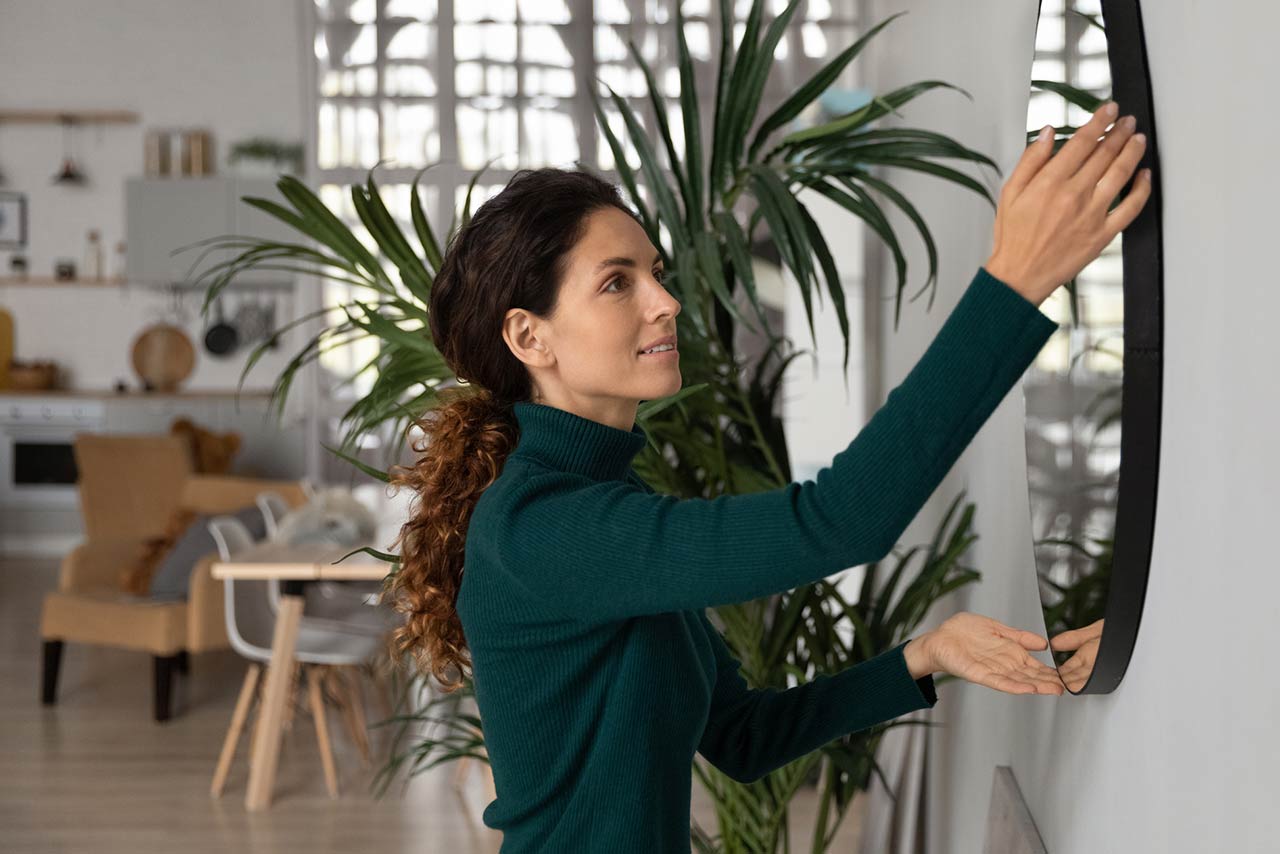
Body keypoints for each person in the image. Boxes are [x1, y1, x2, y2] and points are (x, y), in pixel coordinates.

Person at [384, 99, 1151, 851]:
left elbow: (743, 736)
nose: (667, 301)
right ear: (529, 335)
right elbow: (837, 521)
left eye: (655, 271)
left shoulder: (601, 511)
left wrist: (928, 654)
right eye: (618, 283)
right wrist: (1012, 285)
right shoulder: (543, 527)